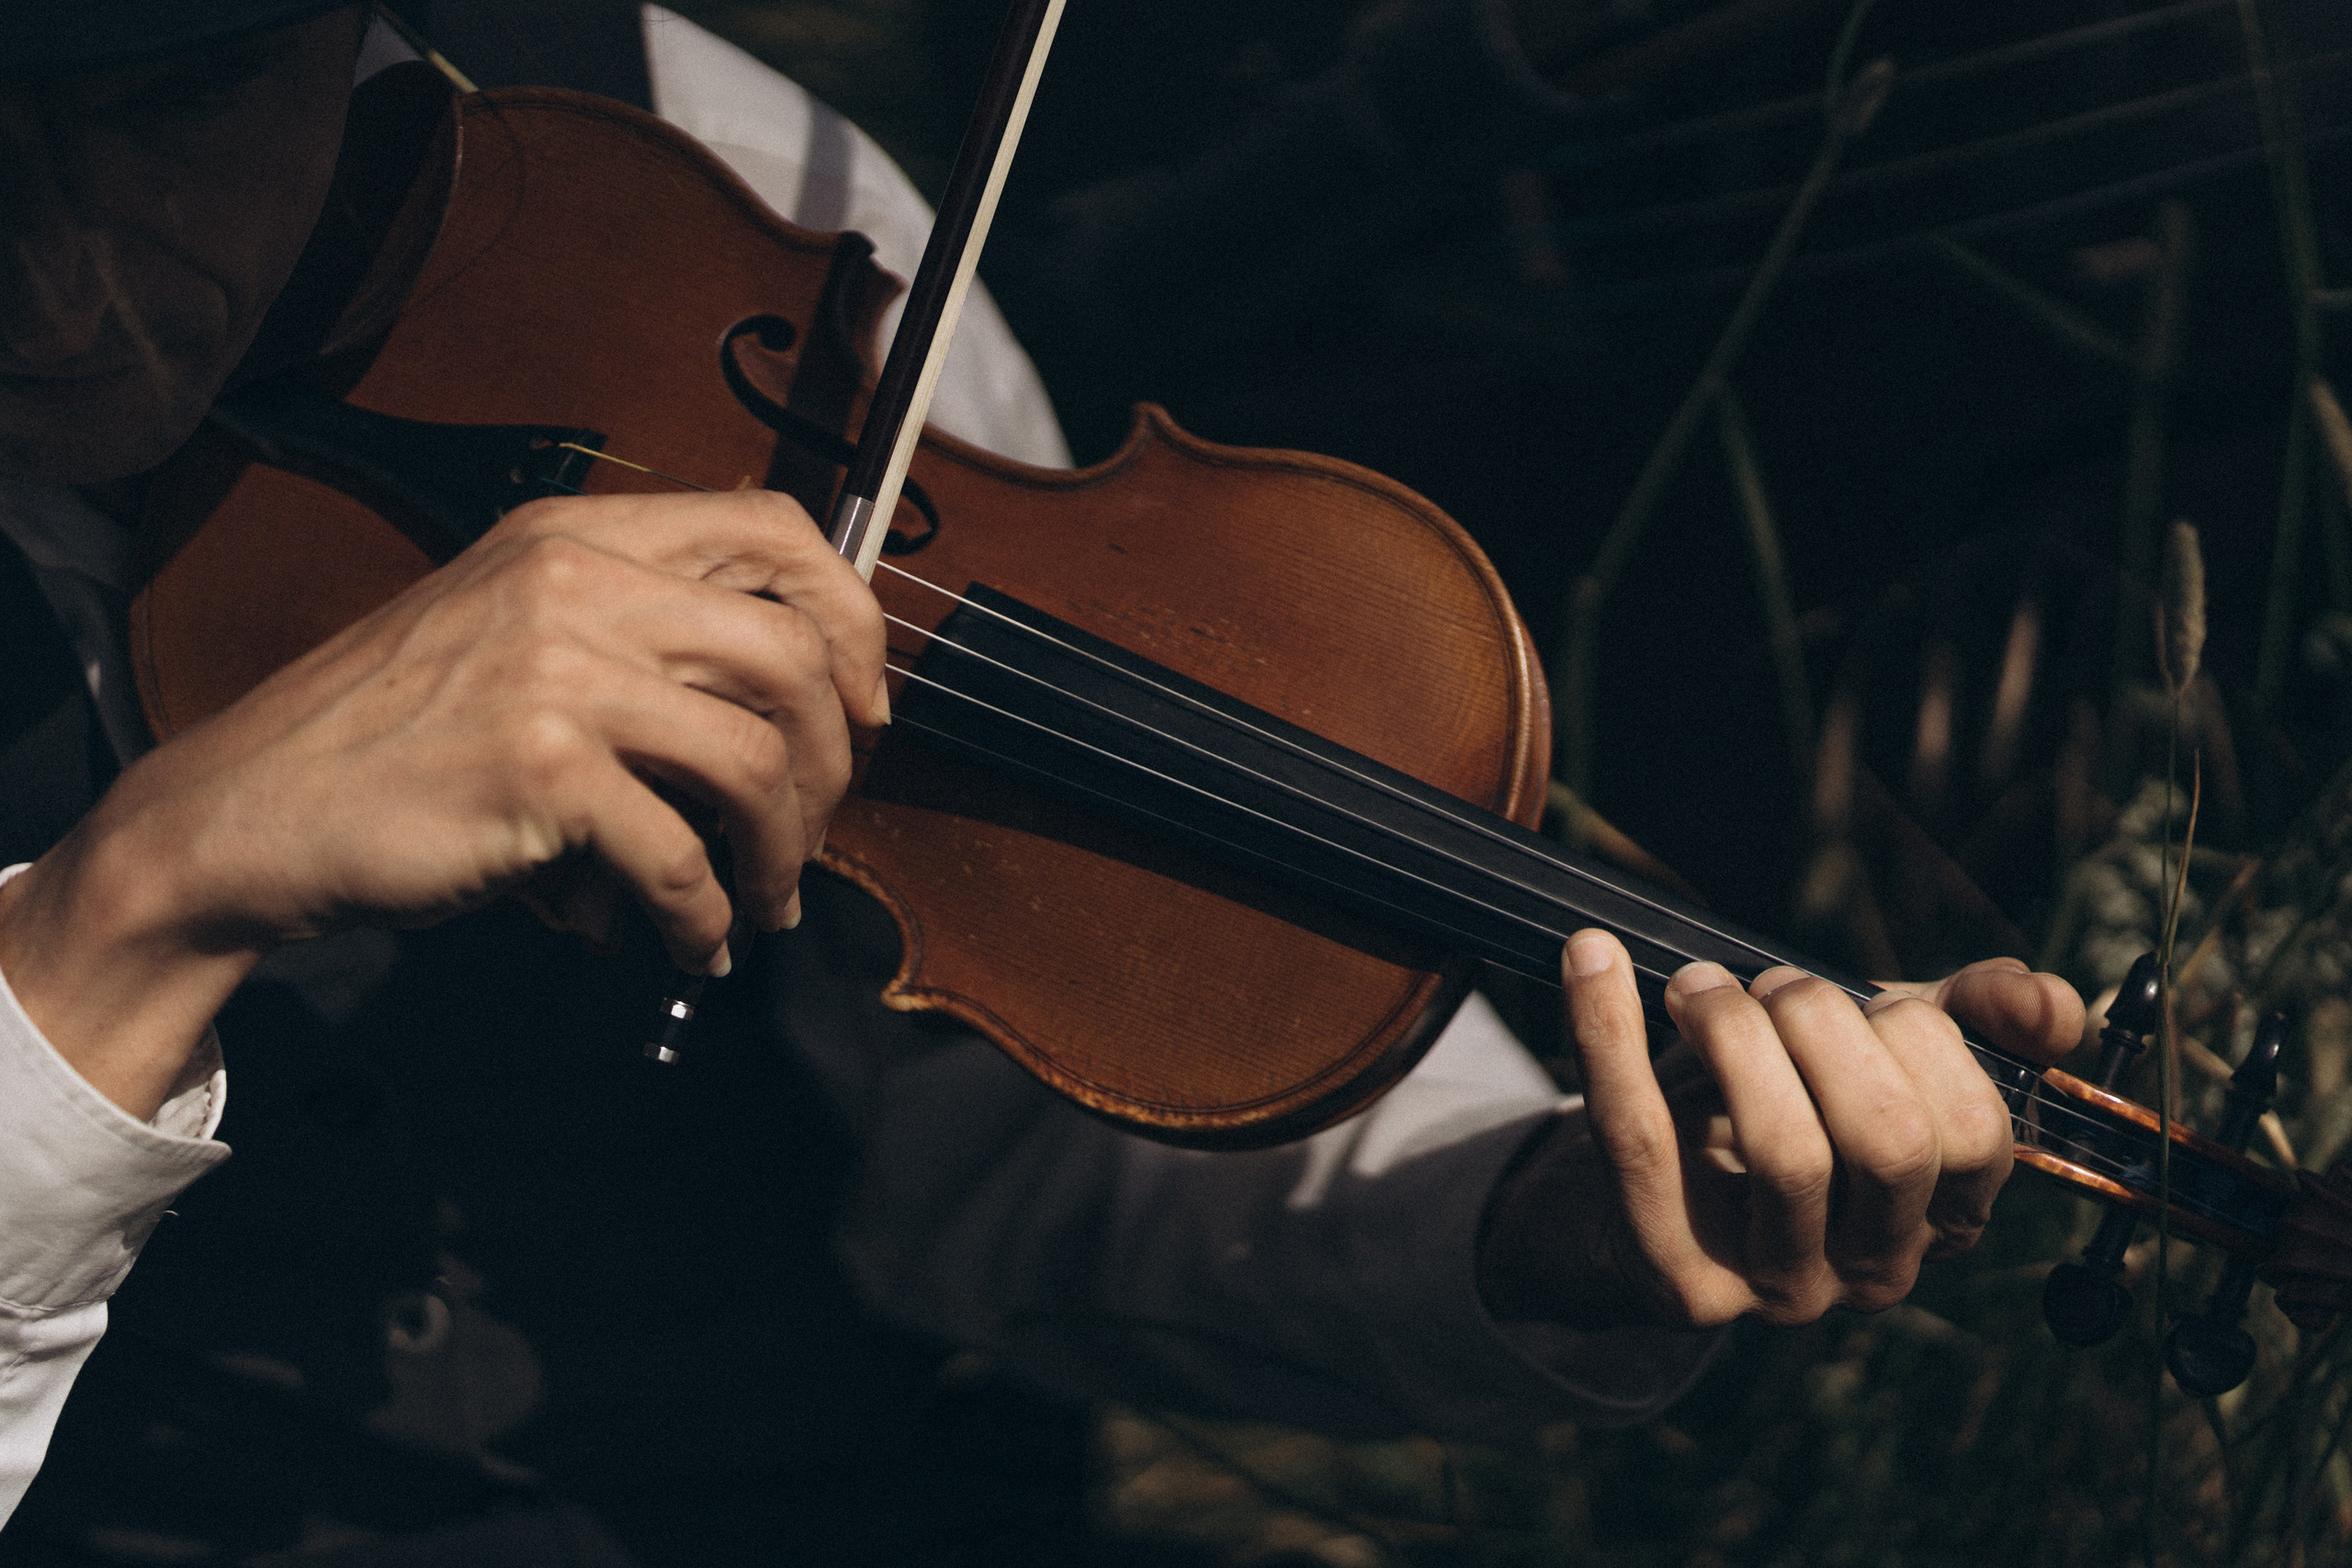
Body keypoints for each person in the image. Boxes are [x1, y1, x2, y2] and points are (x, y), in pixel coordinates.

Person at [0, 3, 2086, 1561]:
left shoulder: (719, 199)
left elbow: (1026, 1135)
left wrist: (1549, 1217)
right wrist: (132, 903)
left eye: (173, 95)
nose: (60, 276)